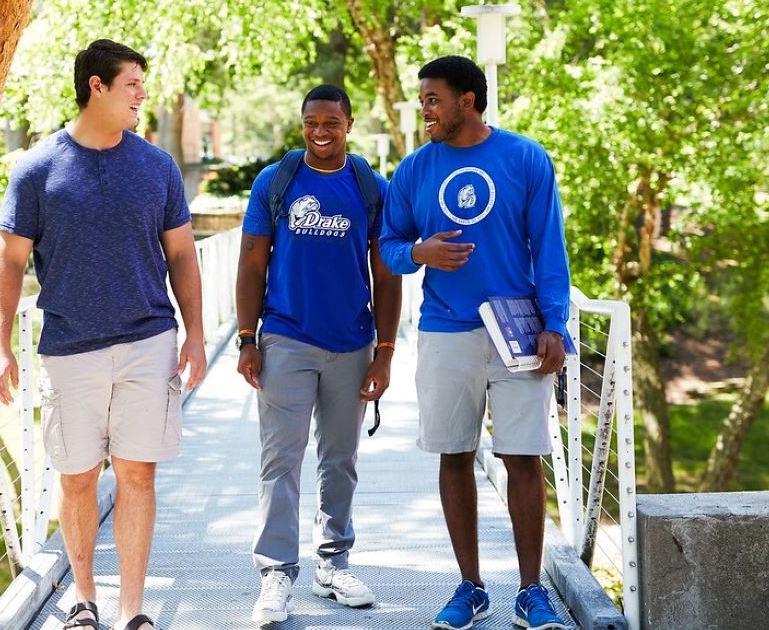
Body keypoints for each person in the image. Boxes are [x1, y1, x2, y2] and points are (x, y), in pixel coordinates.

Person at [0, 39, 206, 630]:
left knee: (138, 474)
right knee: (78, 476)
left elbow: (182, 254)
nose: (142, 94)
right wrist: (0, 346)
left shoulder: (157, 166)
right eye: (132, 84)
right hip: (69, 349)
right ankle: (84, 602)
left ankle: (132, 610)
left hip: (148, 342)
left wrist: (196, 335)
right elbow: (10, 261)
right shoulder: (36, 168)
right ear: (97, 87)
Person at [379, 55, 571, 630]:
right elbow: (388, 247)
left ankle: (532, 591)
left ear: (467, 101)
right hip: (445, 330)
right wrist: (419, 253)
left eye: (433, 99)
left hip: (518, 332)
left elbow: (550, 247)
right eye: (422, 99)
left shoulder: (525, 158)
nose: (425, 110)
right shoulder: (415, 169)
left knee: (523, 458)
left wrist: (555, 324)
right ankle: (471, 587)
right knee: (455, 454)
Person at [236, 84, 402, 624]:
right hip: (286, 338)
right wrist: (246, 339)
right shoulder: (276, 181)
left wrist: (384, 351)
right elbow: (251, 263)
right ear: (302, 123)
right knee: (280, 460)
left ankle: (333, 564)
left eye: (331, 122)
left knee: (340, 460)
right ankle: (276, 574)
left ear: (349, 124)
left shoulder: (370, 188)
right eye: (311, 122)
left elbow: (387, 275)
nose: (320, 131)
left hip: (352, 343)